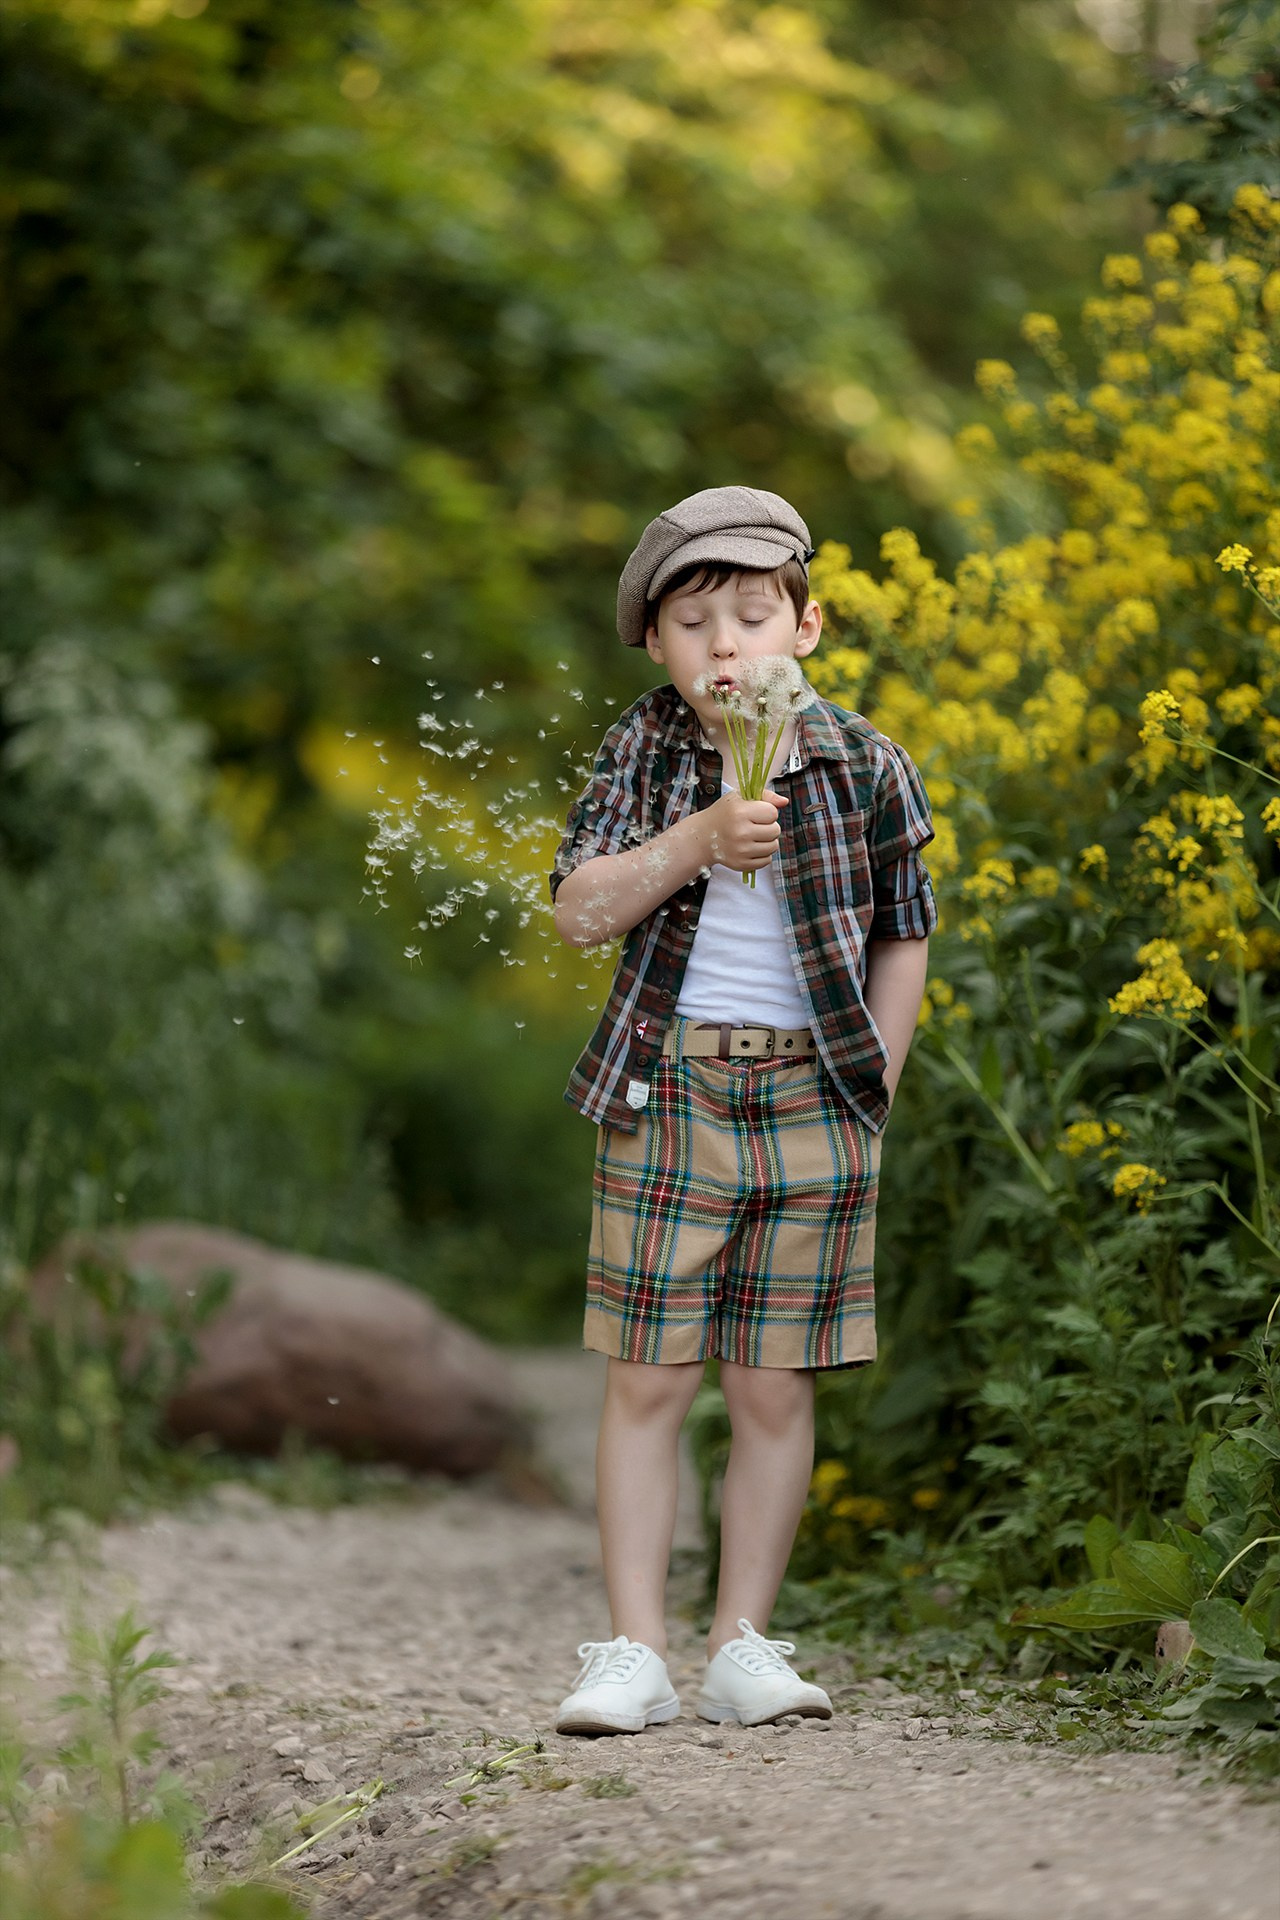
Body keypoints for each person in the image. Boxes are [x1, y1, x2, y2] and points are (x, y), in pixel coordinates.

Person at [548, 485, 937, 1734]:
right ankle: (631, 1651)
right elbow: (580, 908)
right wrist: (703, 835)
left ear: (804, 627)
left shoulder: (864, 762)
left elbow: (902, 934)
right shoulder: (642, 753)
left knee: (773, 1387)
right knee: (649, 1378)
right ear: (655, 646)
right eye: (694, 623)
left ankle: (742, 1644)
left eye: (752, 616)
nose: (726, 646)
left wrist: (871, 1084)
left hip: (814, 1089)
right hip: (667, 1084)